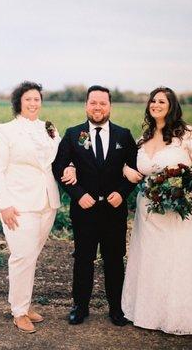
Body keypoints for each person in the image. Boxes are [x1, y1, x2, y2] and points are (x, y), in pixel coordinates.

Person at [122, 87, 192, 335]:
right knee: (154, 258)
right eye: (153, 100)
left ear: (172, 106)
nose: (156, 104)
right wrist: (124, 171)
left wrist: (184, 183)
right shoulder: (145, 136)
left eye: (162, 101)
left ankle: (180, 315)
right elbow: (132, 168)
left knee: (178, 259)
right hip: (149, 213)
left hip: (180, 210)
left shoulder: (189, 134)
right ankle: (153, 313)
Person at [0, 81, 76, 333]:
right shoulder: (4, 131)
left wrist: (71, 167)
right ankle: (18, 311)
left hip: (47, 202)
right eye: (28, 99)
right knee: (22, 256)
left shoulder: (48, 128)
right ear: (19, 102)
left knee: (31, 256)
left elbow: (60, 158)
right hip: (19, 204)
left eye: (37, 99)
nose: (33, 103)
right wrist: (3, 205)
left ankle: (23, 305)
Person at [52, 85, 137, 326]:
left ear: (110, 106)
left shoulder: (123, 135)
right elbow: (58, 167)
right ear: (86, 105)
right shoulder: (73, 134)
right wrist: (78, 194)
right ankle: (80, 307)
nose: (97, 107)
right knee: (83, 258)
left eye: (102, 103)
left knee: (114, 259)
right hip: (84, 211)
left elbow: (135, 169)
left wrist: (123, 193)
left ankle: (116, 309)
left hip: (113, 211)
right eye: (93, 103)